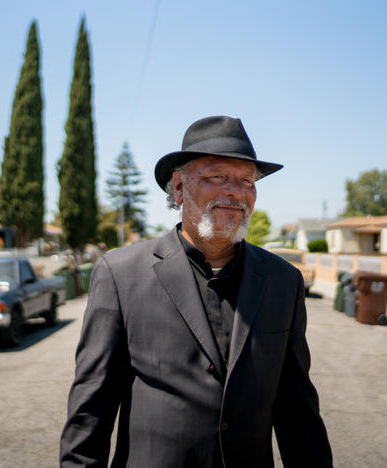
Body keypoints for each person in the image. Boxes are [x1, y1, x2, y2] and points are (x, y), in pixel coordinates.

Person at [60, 115, 333, 467]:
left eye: (247, 181)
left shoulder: (284, 281)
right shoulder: (120, 274)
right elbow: (90, 406)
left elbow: (298, 409)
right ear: (178, 187)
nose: (235, 191)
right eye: (216, 177)